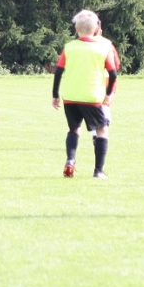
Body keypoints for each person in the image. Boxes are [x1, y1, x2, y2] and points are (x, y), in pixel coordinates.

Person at [52, 10, 118, 179]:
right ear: (96, 28)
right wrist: (109, 93)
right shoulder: (103, 48)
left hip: (70, 96)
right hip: (92, 97)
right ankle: (98, 171)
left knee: (74, 129)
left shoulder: (69, 47)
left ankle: (70, 160)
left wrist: (55, 95)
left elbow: (58, 72)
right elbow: (113, 73)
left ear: (76, 29)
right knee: (102, 130)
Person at [88, 19, 121, 141]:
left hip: (92, 82)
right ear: (100, 31)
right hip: (108, 80)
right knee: (105, 106)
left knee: (93, 108)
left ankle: (96, 136)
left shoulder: (84, 45)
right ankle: (101, 133)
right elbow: (116, 64)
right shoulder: (108, 45)